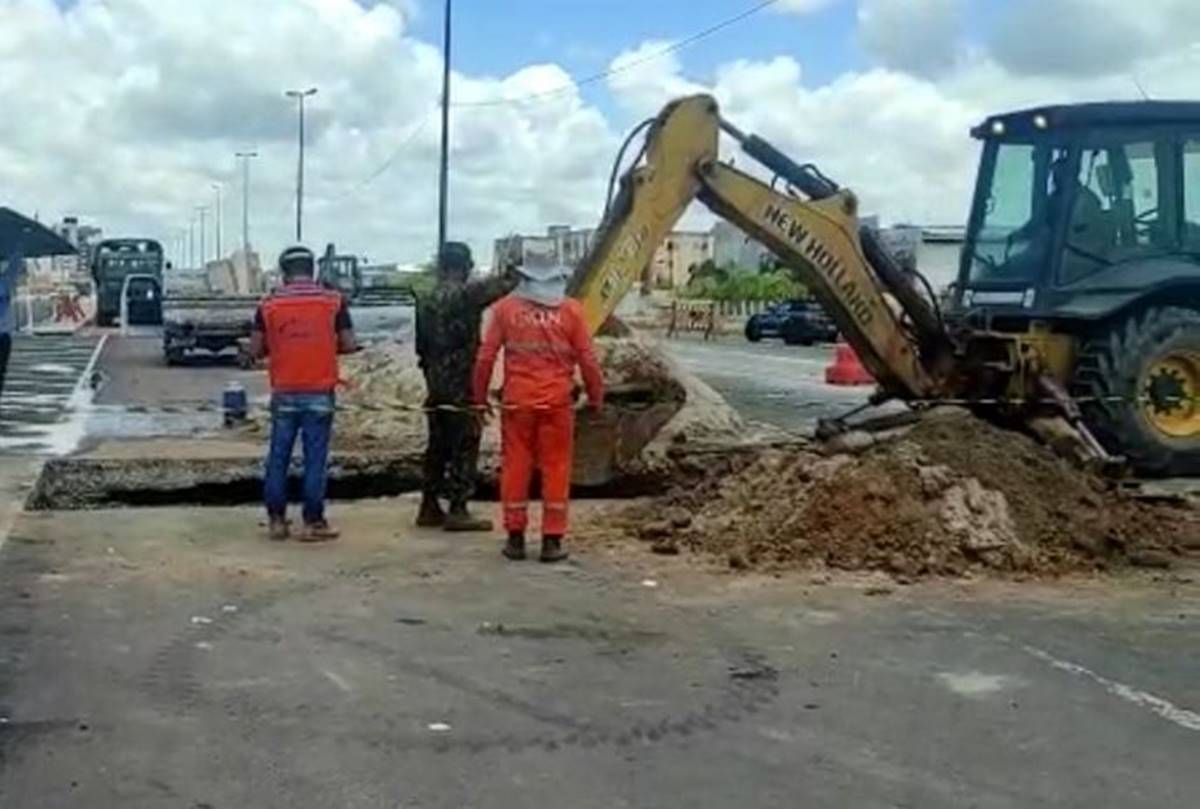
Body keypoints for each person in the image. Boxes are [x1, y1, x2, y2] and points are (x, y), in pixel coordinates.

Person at [472, 258, 604, 563]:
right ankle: (551, 541)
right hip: (557, 405)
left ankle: (515, 540)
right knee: (556, 469)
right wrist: (597, 397)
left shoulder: (505, 309)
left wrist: (478, 399)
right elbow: (588, 360)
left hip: (517, 403)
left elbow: (485, 357)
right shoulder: (571, 311)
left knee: (516, 467)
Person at [250, 245, 357, 542]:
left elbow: (256, 350)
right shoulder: (333, 302)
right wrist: (320, 345)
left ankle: (276, 522)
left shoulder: (268, 305)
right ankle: (313, 522)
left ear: (284, 273)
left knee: (278, 457)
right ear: (313, 270)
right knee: (315, 459)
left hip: (284, 391)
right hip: (320, 391)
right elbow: (349, 344)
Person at [415, 241, 516, 531]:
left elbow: (420, 346)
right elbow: (504, 284)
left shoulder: (425, 297)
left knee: (436, 446)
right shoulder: (465, 294)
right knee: (465, 444)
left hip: (435, 382)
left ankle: (429, 505)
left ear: (440, 265)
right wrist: (517, 265)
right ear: (466, 267)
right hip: (462, 382)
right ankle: (458, 508)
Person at [0, 243, 26, 408]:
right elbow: (15, 266)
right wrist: (18, 246)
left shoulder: (5, 282)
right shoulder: (5, 282)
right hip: (3, 336)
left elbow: (15, 267)